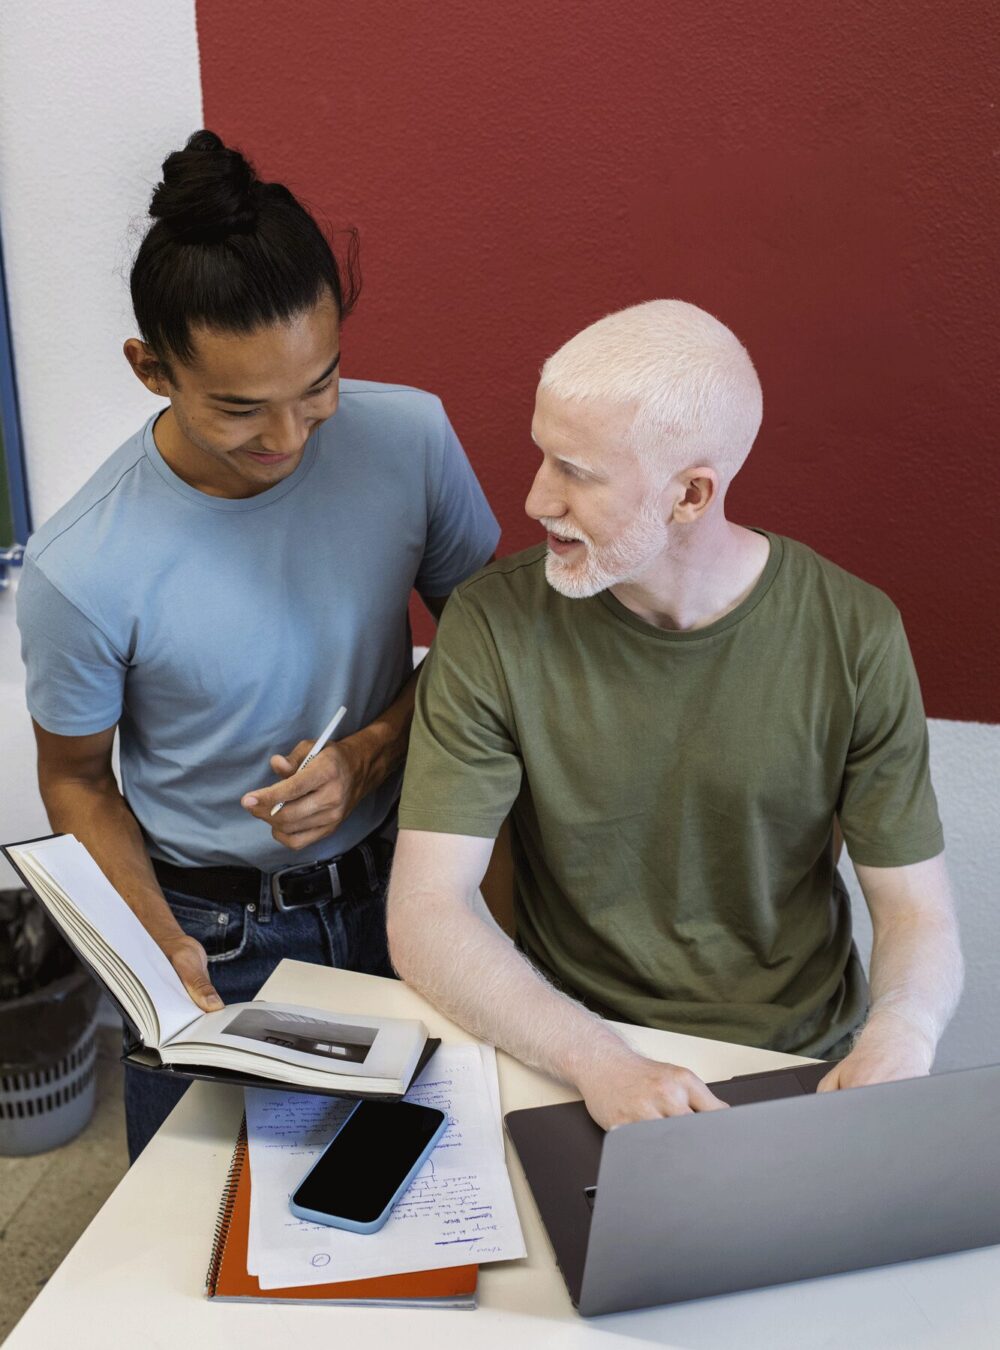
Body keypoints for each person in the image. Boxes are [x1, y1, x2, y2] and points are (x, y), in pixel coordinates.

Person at [16, 131, 499, 1158]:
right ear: (152, 370)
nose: (288, 436)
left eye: (317, 385)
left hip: (412, 887)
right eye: (239, 408)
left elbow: (494, 648)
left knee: (428, 1205)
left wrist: (371, 752)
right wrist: (159, 948)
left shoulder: (411, 441)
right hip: (216, 934)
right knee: (205, 1249)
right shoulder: (80, 565)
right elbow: (78, 783)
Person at [387, 299, 963, 1130]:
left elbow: (915, 907)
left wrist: (902, 1035)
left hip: (800, 1065)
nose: (535, 498)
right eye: (542, 455)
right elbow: (425, 914)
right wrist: (600, 1063)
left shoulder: (855, 632)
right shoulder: (492, 625)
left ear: (692, 494)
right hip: (575, 1052)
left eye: (577, 472)